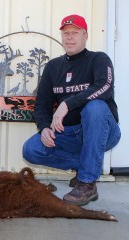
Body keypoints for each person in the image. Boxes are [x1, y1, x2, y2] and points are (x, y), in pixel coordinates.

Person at [22, 14, 121, 206]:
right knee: (31, 149)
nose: (69, 37)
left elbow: (105, 87)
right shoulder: (53, 67)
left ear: (85, 35)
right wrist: (44, 128)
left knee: (96, 107)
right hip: (68, 134)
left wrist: (67, 103)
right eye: (65, 33)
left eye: (75, 32)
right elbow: (41, 105)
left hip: (103, 131)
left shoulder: (99, 59)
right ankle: (86, 167)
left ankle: (86, 182)